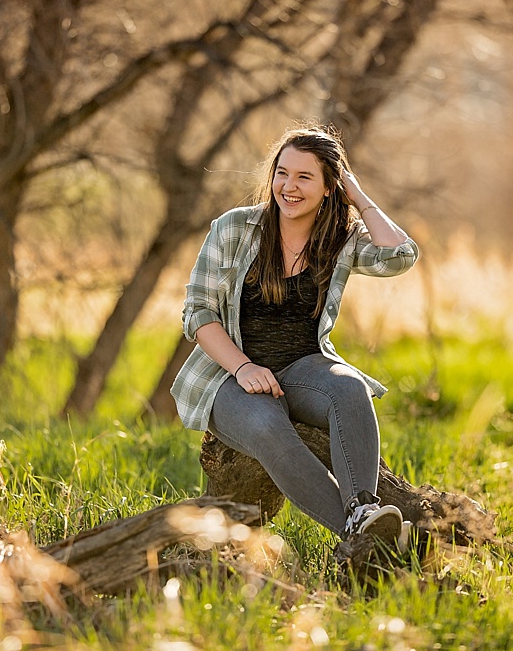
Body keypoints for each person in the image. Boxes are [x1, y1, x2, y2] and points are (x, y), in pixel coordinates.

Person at [170, 124, 419, 546]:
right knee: (268, 427)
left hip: (304, 368)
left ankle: (363, 508)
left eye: (305, 177)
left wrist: (358, 196)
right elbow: (197, 314)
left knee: (349, 389)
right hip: (227, 377)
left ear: (328, 187)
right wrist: (244, 367)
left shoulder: (340, 238)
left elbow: (400, 256)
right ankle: (361, 536)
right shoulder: (234, 229)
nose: (289, 186)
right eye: (282, 173)